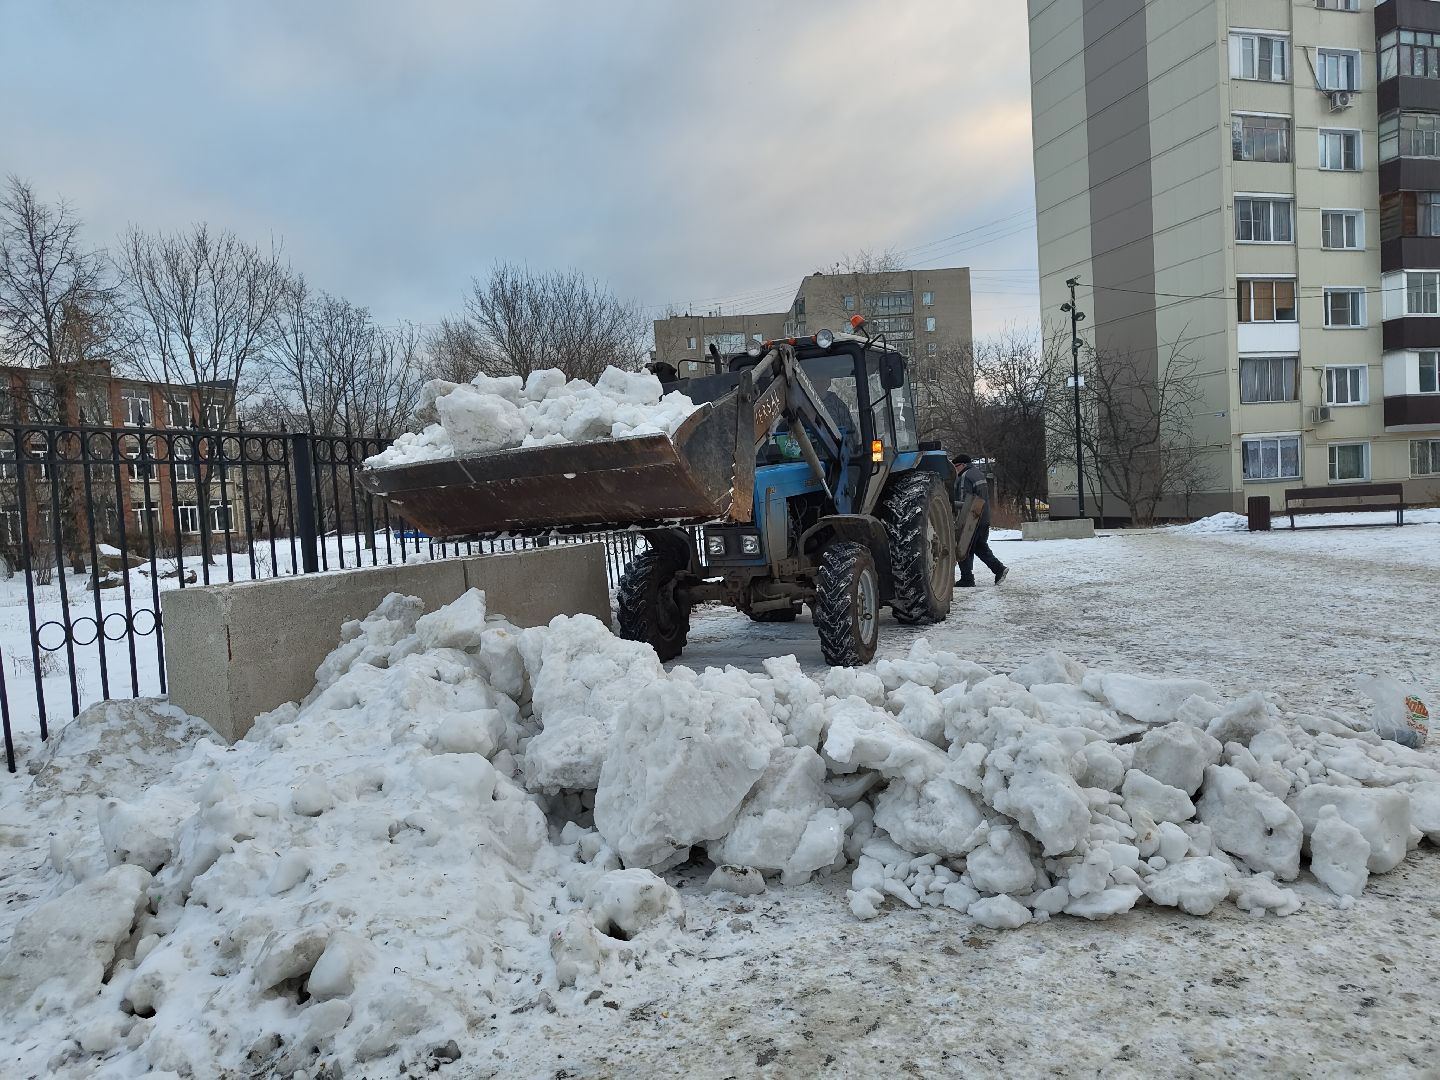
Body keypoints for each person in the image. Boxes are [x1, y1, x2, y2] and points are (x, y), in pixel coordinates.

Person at [953, 453, 1008, 588]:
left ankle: (968, 578)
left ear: (963, 465)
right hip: (983, 517)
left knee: (962, 546)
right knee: (978, 546)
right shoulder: (977, 473)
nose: (955, 469)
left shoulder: (965, 476)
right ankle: (996, 569)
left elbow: (963, 500)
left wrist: (957, 517)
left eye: (956, 466)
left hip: (972, 518)